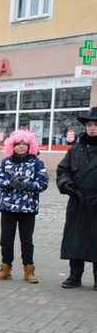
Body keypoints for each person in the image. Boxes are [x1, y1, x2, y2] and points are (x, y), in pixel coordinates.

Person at [0, 130, 48, 282]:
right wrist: (8, 183)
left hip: (28, 208)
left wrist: (27, 185)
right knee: (6, 239)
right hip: (8, 207)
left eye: (24, 144)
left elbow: (43, 184)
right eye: (18, 144)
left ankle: (29, 269)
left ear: (30, 146)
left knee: (27, 240)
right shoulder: (5, 162)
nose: (21, 147)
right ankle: (6, 268)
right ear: (12, 146)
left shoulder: (36, 162)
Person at [57, 107, 97, 289]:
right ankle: (75, 276)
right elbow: (63, 170)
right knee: (76, 240)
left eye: (96, 125)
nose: (92, 128)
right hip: (78, 201)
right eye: (89, 124)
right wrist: (67, 185)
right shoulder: (76, 150)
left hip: (96, 203)